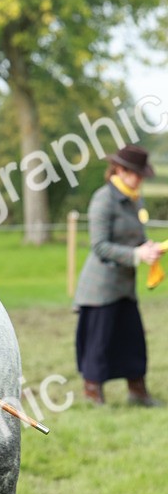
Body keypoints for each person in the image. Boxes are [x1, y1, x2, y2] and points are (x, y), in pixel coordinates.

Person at [73, 144, 163, 406]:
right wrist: (137, 256)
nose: (140, 179)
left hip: (125, 286)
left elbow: (135, 237)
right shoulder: (103, 199)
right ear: (120, 170)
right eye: (136, 173)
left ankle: (138, 391)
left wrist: (148, 248)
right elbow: (99, 246)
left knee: (133, 339)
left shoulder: (136, 199)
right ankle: (93, 392)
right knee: (99, 344)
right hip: (100, 288)